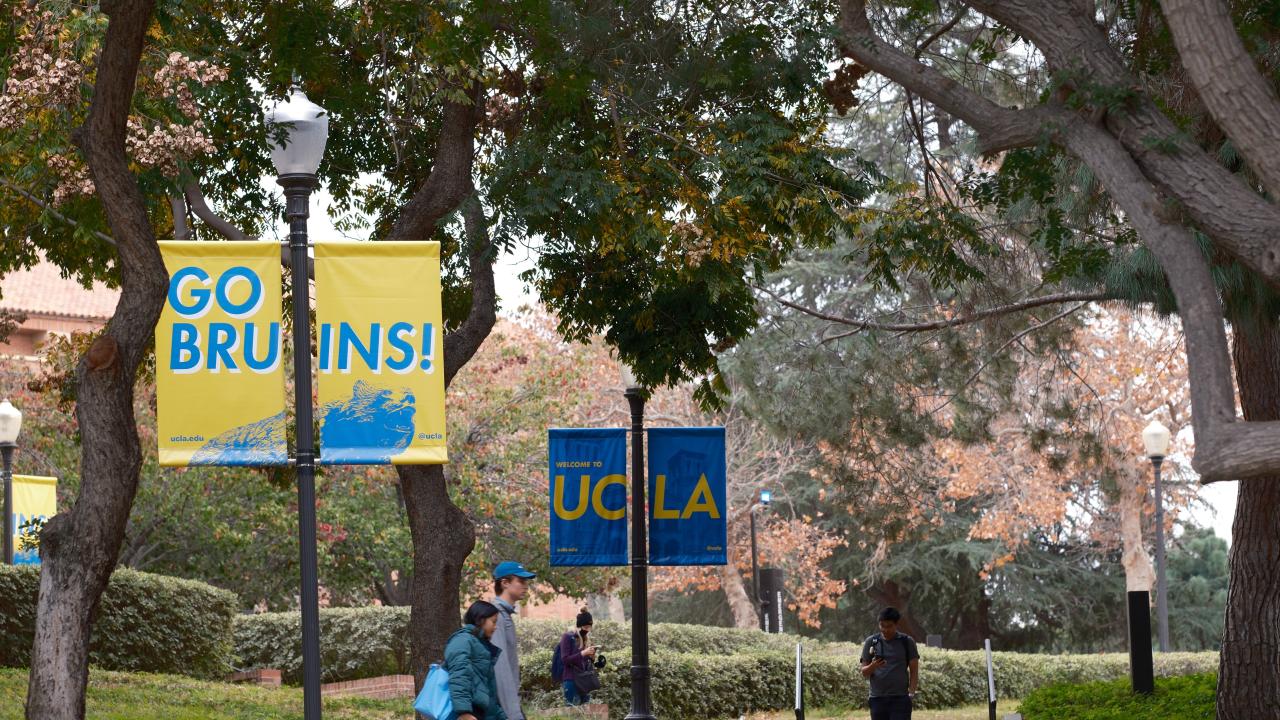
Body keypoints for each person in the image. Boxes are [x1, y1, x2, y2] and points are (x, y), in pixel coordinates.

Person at [444, 601, 509, 720]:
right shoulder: (463, 640)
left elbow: (487, 690)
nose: (496, 627)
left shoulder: (480, 644)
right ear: (481, 619)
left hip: (480, 713)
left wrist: (501, 716)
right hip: (470, 714)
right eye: (493, 622)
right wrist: (463, 712)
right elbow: (459, 676)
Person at [491, 560, 536, 720]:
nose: (526, 586)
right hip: (499, 707)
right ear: (505, 583)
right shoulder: (495, 615)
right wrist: (513, 713)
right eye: (521, 581)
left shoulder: (504, 614)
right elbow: (500, 666)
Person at [859, 607, 920, 720]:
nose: (885, 630)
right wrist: (873, 666)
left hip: (900, 698)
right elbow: (864, 672)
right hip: (877, 698)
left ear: (896, 625)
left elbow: (914, 671)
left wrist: (911, 694)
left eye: (889, 626)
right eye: (882, 626)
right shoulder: (871, 642)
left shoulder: (906, 642)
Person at [557, 607, 599, 705]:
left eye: (590, 627)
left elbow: (581, 660)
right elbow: (565, 660)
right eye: (586, 627)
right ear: (579, 626)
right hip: (571, 680)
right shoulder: (567, 637)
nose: (588, 630)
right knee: (572, 712)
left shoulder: (584, 638)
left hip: (583, 680)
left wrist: (591, 656)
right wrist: (583, 653)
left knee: (586, 713)